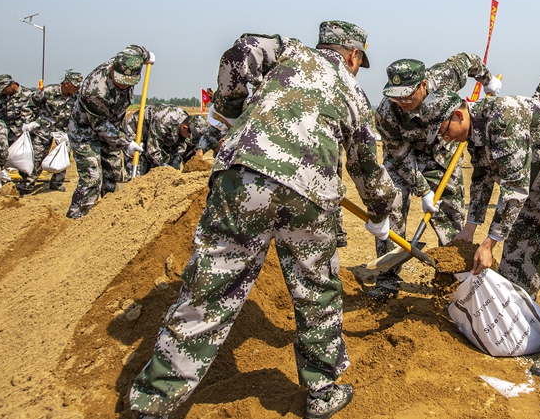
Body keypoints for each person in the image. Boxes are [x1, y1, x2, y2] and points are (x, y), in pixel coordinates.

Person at [129, 22, 397, 419]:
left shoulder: (290, 52)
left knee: (210, 288)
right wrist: (381, 210)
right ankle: (322, 392)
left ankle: (154, 402)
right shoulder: (354, 92)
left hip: (243, 175)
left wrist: (230, 106)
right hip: (310, 191)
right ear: (354, 56)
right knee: (316, 290)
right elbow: (366, 166)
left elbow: (245, 48)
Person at [420, 89, 540, 377]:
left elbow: (514, 187)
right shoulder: (474, 133)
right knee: (518, 250)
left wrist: (488, 243)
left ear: (458, 115)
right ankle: (521, 324)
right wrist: (469, 230)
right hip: (534, 178)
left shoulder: (502, 119)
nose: (445, 138)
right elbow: (481, 180)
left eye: (444, 130)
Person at [371, 54, 500, 299]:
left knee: (450, 217)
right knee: (392, 203)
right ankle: (387, 280)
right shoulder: (387, 112)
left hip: (442, 154)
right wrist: (423, 189)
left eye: (408, 94)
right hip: (405, 158)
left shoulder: (442, 77)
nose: (403, 101)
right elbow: (398, 154)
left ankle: (452, 280)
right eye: (396, 94)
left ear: (423, 84)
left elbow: (468, 59)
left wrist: (488, 80)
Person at [66, 45, 154, 219]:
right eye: (120, 80)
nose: (123, 85)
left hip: (113, 127)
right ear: (114, 68)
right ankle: (76, 221)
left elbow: (137, 49)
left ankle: (109, 220)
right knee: (92, 178)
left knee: (114, 177)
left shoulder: (131, 58)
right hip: (85, 131)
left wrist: (148, 56)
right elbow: (99, 125)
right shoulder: (95, 90)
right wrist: (126, 143)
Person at [17, 70, 82, 194]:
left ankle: (56, 184)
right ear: (67, 83)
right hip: (43, 129)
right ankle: (27, 185)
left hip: (62, 131)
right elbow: (29, 106)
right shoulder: (48, 91)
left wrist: (72, 131)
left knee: (63, 156)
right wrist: (29, 122)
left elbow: (79, 114)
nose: (77, 88)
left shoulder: (76, 97)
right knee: (37, 156)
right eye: (75, 85)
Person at [122, 105, 209, 175]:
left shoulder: (187, 126)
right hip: (136, 133)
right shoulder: (165, 122)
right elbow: (152, 152)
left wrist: (175, 170)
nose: (188, 139)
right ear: (184, 127)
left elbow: (179, 150)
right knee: (139, 169)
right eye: (189, 137)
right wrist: (165, 169)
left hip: (155, 136)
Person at [0, 74, 36, 144]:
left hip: (22, 134)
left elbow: (32, 116)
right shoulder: (0, 96)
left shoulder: (29, 95)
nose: (3, 92)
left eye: (4, 89)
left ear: (13, 84)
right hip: (5, 133)